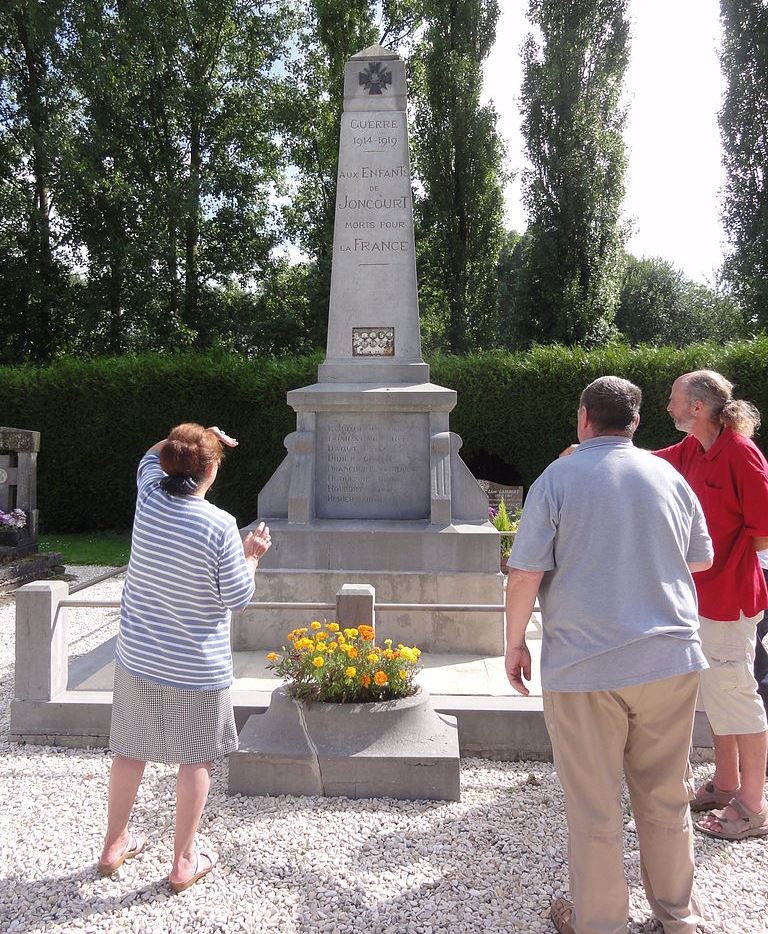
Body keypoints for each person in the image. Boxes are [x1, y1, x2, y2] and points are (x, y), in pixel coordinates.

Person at [506, 376, 713, 934]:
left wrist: (514, 642)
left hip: (584, 667)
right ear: (636, 422)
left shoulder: (558, 478)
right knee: (667, 799)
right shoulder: (669, 475)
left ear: (583, 418)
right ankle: (679, 917)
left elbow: (525, 570)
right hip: (670, 658)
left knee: (595, 809)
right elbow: (699, 560)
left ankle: (600, 923)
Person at [98, 424, 272, 891]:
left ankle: (115, 844)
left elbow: (150, 451)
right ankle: (183, 861)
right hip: (197, 665)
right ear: (211, 469)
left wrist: (199, 432)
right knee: (196, 760)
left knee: (130, 750)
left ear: (172, 461)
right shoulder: (218, 525)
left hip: (139, 655)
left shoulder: (150, 495)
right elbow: (237, 596)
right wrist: (252, 554)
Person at [657, 370, 768, 839]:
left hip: (731, 602)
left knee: (737, 696)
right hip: (701, 601)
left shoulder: (741, 454)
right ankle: (725, 784)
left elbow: (764, 528)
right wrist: (591, 455)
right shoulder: (693, 449)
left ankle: (753, 805)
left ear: (697, 408)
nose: (668, 407)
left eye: (674, 400)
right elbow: (650, 462)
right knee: (716, 694)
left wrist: (740, 565)